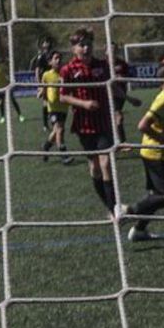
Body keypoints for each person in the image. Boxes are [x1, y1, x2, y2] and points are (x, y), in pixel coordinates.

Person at [117, 63, 164, 242]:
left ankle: (139, 230)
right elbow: (143, 125)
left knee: (155, 197)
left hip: (154, 152)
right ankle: (129, 211)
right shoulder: (163, 100)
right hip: (155, 154)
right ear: (163, 82)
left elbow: (161, 128)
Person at [58, 27, 118, 214]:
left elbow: (112, 88)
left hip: (103, 122)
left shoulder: (102, 65)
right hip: (84, 124)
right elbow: (63, 97)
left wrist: (126, 100)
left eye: (89, 44)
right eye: (81, 45)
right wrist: (83, 104)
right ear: (74, 49)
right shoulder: (68, 70)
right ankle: (109, 206)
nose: (86, 48)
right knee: (95, 167)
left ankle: (114, 208)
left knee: (106, 163)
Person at [39, 51, 71, 164]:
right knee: (60, 130)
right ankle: (64, 155)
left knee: (56, 130)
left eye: (60, 58)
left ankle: (46, 147)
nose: (58, 60)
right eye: (56, 58)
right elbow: (43, 89)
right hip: (52, 108)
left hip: (63, 107)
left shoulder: (64, 73)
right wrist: (41, 94)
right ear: (50, 62)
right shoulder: (46, 75)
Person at [109, 42, 141, 146]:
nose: (112, 51)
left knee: (115, 117)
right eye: (110, 49)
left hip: (121, 93)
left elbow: (129, 76)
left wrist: (123, 78)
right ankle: (121, 142)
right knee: (118, 116)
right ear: (106, 51)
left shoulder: (122, 64)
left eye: (114, 49)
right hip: (110, 93)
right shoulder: (104, 64)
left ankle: (116, 141)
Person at [0, 54, 23, 124]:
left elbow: (8, 74)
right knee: (1, 103)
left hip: (6, 86)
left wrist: (10, 80)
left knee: (13, 100)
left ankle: (20, 115)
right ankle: (2, 117)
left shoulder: (2, 66)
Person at [32, 37, 56, 130]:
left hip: (53, 80)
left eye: (48, 42)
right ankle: (45, 124)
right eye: (45, 42)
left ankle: (52, 119)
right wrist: (39, 84)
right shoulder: (41, 56)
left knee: (54, 101)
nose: (47, 44)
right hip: (45, 81)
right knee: (46, 102)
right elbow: (37, 70)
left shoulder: (53, 54)